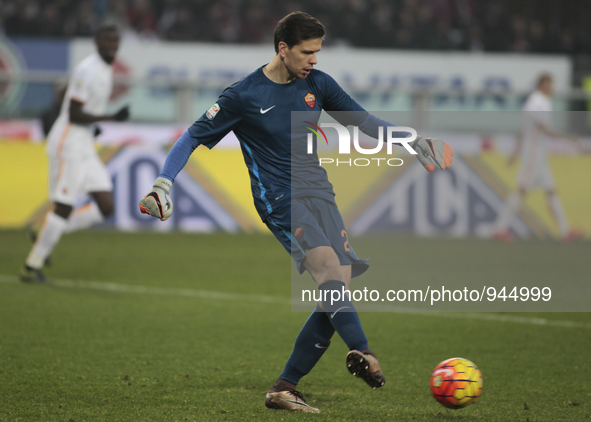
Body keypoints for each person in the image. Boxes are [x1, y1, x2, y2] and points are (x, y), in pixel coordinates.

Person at [139, 12, 453, 413]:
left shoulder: (317, 84)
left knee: (336, 285)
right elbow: (192, 137)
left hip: (319, 194)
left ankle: (285, 387)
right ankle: (362, 350)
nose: (315, 60)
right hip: (280, 198)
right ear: (282, 49)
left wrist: (413, 141)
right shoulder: (243, 95)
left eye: (318, 52)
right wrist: (164, 183)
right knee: (327, 271)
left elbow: (362, 120)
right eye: (307, 52)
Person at [20, 25, 130, 283]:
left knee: (106, 205)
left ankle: (42, 231)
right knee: (64, 206)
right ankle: (32, 265)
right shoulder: (87, 70)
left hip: (83, 145)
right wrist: (111, 117)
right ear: (97, 42)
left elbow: (85, 113)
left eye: (116, 40)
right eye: (107, 40)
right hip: (68, 144)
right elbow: (73, 113)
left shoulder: (105, 69)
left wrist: (96, 126)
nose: (112, 44)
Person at [493, 73, 582, 242]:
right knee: (521, 190)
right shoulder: (539, 103)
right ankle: (499, 228)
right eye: (548, 85)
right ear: (541, 85)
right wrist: (569, 137)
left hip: (538, 155)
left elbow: (522, 129)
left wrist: (515, 152)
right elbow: (544, 130)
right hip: (534, 154)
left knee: (551, 191)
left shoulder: (534, 102)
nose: (551, 89)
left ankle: (565, 231)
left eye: (551, 85)